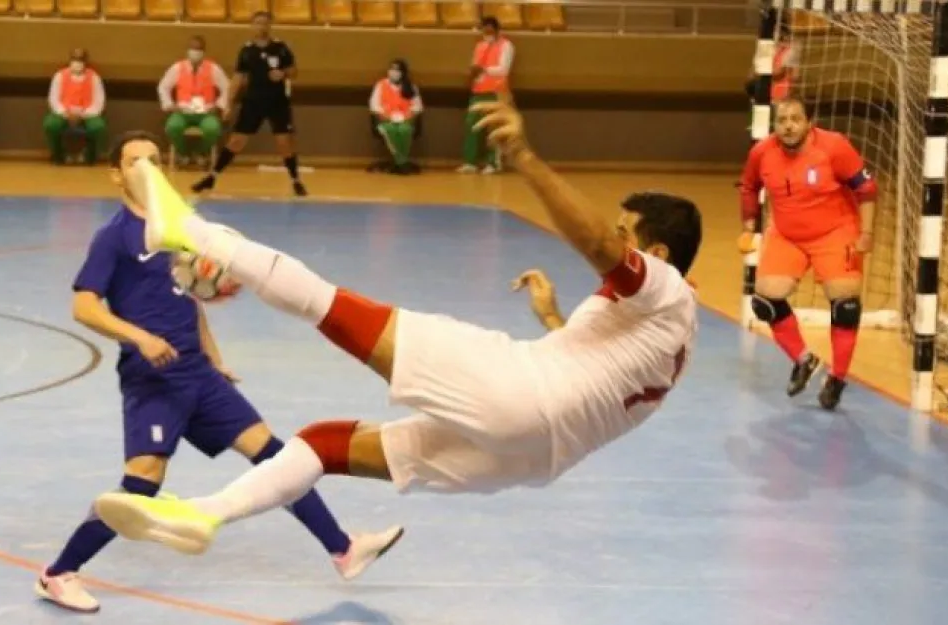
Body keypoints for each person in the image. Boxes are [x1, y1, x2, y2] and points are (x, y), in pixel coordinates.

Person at [90, 93, 703, 559]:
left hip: (524, 392)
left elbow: (595, 240)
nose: (619, 243)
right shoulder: (678, 332)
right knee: (328, 444)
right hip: (535, 456)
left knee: (329, 306)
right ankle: (205, 515)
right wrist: (551, 318)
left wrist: (523, 158)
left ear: (662, 256)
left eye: (631, 236)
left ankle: (185, 227)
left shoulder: (664, 286)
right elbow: (600, 375)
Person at [35, 130, 402, 613]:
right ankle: (58, 574)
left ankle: (344, 549)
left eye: (153, 160)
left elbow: (189, 301)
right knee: (141, 484)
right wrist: (140, 338)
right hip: (153, 380)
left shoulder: (177, 229)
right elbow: (84, 307)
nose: (146, 169)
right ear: (115, 174)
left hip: (200, 377)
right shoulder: (114, 238)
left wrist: (213, 358)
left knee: (277, 460)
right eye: (134, 162)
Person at [737, 96, 876, 410]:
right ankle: (804, 359)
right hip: (787, 235)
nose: (788, 125)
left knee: (846, 306)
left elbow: (866, 189)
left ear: (809, 123)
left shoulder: (834, 147)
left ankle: (837, 379)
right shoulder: (762, 153)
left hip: (835, 232)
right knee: (764, 302)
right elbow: (748, 186)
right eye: (782, 120)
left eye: (795, 119)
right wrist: (748, 225)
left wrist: (866, 234)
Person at [191, 11, 306, 196]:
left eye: (265, 23)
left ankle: (295, 180)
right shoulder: (247, 51)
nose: (261, 26)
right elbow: (237, 79)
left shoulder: (281, 48)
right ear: (252, 26)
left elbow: (294, 71)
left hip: (277, 102)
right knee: (236, 141)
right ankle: (212, 177)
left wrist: (283, 74)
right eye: (258, 23)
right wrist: (228, 104)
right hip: (253, 102)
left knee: (284, 142)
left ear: (270, 25)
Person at [158, 35, 229, 168]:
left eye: (198, 49)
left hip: (206, 112)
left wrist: (219, 106)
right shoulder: (177, 68)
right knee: (173, 127)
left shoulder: (213, 68)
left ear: (204, 51)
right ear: (187, 50)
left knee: (212, 128)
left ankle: (201, 153)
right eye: (192, 48)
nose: (195, 52)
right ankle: (183, 153)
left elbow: (227, 87)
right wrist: (170, 105)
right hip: (183, 111)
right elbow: (163, 86)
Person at [457, 17, 514, 175]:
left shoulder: (506, 45)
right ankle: (471, 162)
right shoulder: (479, 46)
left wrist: (484, 70)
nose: (487, 33)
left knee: (493, 128)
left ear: (496, 30)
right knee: (472, 125)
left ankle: (493, 163)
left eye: (490, 30)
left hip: (496, 92)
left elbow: (503, 69)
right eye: (484, 30)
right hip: (478, 91)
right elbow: (475, 66)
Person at [44, 48, 108, 165]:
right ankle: (58, 156)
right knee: (51, 125)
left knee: (98, 127)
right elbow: (53, 99)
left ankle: (90, 157)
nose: (77, 62)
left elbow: (99, 101)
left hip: (88, 114)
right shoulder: (59, 76)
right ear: (70, 60)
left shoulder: (94, 77)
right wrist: (65, 113)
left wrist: (83, 115)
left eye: (80, 59)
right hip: (64, 113)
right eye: (74, 59)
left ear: (85, 61)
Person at [368, 59, 423, 175]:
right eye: (392, 69)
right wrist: (387, 115)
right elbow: (374, 105)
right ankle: (402, 163)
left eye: (397, 70)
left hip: (405, 120)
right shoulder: (381, 85)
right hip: (386, 120)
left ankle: (398, 162)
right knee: (391, 130)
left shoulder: (411, 87)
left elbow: (418, 107)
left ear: (403, 72)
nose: (394, 72)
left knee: (404, 130)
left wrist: (406, 116)